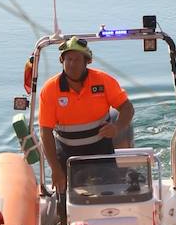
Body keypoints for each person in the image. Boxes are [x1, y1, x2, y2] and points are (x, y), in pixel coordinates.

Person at [39, 35, 135, 198]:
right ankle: (65, 221)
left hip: (101, 149)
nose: (72, 64)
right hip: (67, 152)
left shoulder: (103, 81)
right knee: (65, 201)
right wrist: (56, 169)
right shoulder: (50, 89)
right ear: (62, 61)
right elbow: (45, 131)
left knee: (109, 195)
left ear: (87, 61)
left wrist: (117, 127)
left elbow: (127, 108)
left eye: (77, 59)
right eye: (68, 59)